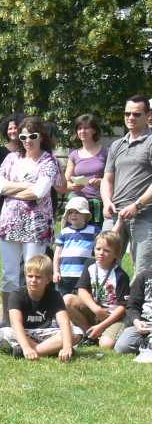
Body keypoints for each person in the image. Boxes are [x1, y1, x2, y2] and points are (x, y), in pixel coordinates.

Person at [0, 115, 60, 323]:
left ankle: (33, 318)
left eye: (32, 136)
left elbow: (39, 192)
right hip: (9, 224)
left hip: (35, 226)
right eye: (23, 137)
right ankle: (7, 319)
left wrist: (11, 190)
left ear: (41, 137)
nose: (27, 141)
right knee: (9, 274)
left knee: (34, 274)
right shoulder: (11, 158)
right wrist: (26, 186)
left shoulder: (49, 161)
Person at [101, 95, 152, 275]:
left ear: (148, 116)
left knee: (144, 272)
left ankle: (141, 297)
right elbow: (107, 179)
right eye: (127, 113)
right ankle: (108, 295)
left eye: (136, 114)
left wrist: (137, 205)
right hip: (115, 215)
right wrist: (107, 201)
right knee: (103, 266)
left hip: (144, 215)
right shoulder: (117, 145)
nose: (131, 117)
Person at [0, 253, 79, 360]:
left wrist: (66, 346)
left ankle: (33, 351)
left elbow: (64, 322)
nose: (33, 280)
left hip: (46, 333)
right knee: (3, 333)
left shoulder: (55, 295)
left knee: (76, 332)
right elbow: (16, 324)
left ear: (48, 279)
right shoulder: (16, 295)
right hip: (24, 333)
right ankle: (51, 350)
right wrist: (26, 347)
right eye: (30, 276)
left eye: (38, 277)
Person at [65, 230, 128, 349]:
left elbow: (123, 307)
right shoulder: (90, 265)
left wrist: (102, 325)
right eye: (98, 249)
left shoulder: (121, 275)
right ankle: (89, 335)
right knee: (67, 300)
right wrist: (96, 309)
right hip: (95, 310)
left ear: (116, 254)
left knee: (106, 344)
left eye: (107, 251)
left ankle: (101, 332)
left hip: (111, 317)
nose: (101, 253)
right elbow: (81, 289)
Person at [64, 113, 106, 220]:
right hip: (78, 204)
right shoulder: (73, 155)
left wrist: (102, 181)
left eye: (86, 128)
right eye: (79, 128)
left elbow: (114, 177)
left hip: (100, 201)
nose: (82, 131)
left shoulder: (106, 152)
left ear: (94, 130)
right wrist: (72, 186)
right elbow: (66, 181)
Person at [54, 196, 99, 294]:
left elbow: (106, 239)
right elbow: (57, 254)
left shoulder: (93, 231)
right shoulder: (64, 232)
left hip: (85, 274)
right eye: (70, 212)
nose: (73, 215)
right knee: (64, 298)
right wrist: (56, 271)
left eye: (77, 212)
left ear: (85, 215)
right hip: (66, 274)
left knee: (83, 297)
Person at [113, 266, 152, 355]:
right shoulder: (143, 276)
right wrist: (137, 322)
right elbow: (132, 306)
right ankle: (147, 343)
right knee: (122, 346)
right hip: (145, 324)